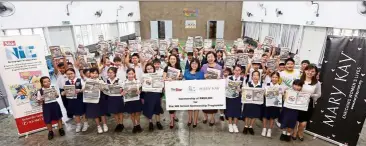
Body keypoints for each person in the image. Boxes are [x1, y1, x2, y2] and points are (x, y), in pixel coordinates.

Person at [293, 65, 321, 141]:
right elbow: (293, 89)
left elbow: (319, 94)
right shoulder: (299, 80)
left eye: (312, 71)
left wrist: (309, 95)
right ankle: (294, 131)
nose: (310, 72)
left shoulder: (317, 83)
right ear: (305, 71)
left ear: (315, 73)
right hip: (297, 102)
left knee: (303, 122)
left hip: (308, 103)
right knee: (295, 119)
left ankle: (300, 131)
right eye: (308, 70)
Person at [200, 51, 223, 126]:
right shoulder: (204, 66)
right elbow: (200, 76)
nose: (210, 58)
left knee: (213, 104)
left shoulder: (219, 67)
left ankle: (212, 118)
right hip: (205, 88)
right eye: (208, 57)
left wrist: (219, 78)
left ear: (215, 57)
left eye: (212, 56)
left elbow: (222, 78)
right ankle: (205, 116)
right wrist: (204, 76)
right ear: (206, 58)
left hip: (214, 89)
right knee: (204, 103)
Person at [62, 68, 88, 133]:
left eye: (71, 73)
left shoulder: (79, 80)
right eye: (68, 74)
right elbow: (64, 91)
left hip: (80, 99)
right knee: (76, 114)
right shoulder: (66, 82)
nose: (70, 75)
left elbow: (85, 88)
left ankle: (85, 124)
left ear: (74, 74)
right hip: (72, 100)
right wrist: (63, 93)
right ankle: (78, 124)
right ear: (66, 75)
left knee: (83, 112)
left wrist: (80, 90)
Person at [83, 68, 109, 134]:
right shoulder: (87, 81)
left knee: (102, 113)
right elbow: (83, 89)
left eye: (96, 73)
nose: (94, 74)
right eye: (93, 73)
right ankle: (98, 126)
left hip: (100, 99)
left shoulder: (100, 81)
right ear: (90, 74)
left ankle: (104, 124)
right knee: (95, 114)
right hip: (92, 99)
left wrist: (102, 88)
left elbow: (106, 88)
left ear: (98, 74)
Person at [141, 63, 164, 131]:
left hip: (156, 94)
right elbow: (141, 86)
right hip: (148, 95)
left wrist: (162, 84)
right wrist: (142, 83)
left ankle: (158, 122)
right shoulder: (144, 76)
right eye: (147, 69)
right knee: (149, 108)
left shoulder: (158, 76)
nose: (149, 70)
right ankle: (150, 122)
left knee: (157, 108)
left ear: (153, 68)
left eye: (151, 68)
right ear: (146, 70)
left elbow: (161, 85)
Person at [183, 58, 204, 128]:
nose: (194, 65)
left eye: (196, 63)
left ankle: (195, 120)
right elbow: (182, 81)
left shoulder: (201, 73)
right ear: (190, 64)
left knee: (196, 107)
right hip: (188, 93)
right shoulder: (186, 72)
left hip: (198, 93)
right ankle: (189, 119)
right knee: (189, 106)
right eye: (193, 63)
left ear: (198, 65)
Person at [163, 55, 183, 129]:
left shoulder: (179, 68)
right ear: (169, 60)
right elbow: (164, 78)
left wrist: (178, 77)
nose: (172, 60)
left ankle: (174, 116)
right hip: (169, 89)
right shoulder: (166, 68)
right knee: (171, 104)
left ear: (176, 60)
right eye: (171, 59)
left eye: (174, 59)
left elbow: (181, 77)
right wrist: (168, 79)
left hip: (177, 89)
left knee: (175, 103)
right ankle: (171, 120)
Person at [121, 68, 143, 133]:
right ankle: (134, 125)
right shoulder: (124, 82)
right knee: (132, 114)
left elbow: (141, 89)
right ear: (127, 74)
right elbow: (121, 92)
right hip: (128, 100)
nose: (130, 75)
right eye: (129, 74)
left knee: (137, 114)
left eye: (132, 74)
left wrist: (140, 91)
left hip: (136, 100)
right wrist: (123, 93)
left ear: (134, 74)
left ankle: (138, 125)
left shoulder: (138, 81)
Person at [262, 72, 282, 138]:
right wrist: (265, 93)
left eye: (276, 77)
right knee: (265, 116)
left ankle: (270, 130)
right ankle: (264, 129)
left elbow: (281, 96)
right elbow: (263, 93)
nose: (274, 79)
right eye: (273, 77)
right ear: (271, 78)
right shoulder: (267, 84)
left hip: (275, 104)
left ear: (278, 78)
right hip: (267, 103)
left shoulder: (280, 87)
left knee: (272, 117)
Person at [242, 70, 263, 135]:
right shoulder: (248, 83)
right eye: (254, 75)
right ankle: (246, 126)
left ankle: (250, 126)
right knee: (247, 115)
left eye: (257, 75)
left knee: (254, 115)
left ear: (259, 77)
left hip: (257, 103)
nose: (255, 76)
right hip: (248, 102)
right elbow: (244, 91)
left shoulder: (262, 84)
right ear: (252, 76)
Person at [105, 67, 125, 132]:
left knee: (120, 112)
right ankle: (118, 124)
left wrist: (122, 91)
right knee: (115, 112)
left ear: (115, 73)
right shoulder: (107, 80)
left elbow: (123, 88)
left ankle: (121, 124)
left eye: (111, 72)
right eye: (108, 72)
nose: (110, 74)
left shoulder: (118, 80)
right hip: (111, 98)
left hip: (118, 98)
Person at [226, 65, 245, 133]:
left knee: (237, 111)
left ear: (241, 71)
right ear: (233, 71)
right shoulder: (229, 78)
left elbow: (244, 89)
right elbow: (225, 87)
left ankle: (235, 125)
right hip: (229, 97)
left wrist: (240, 90)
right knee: (230, 110)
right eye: (236, 70)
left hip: (238, 97)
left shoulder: (243, 79)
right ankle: (230, 124)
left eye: (239, 70)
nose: (237, 72)